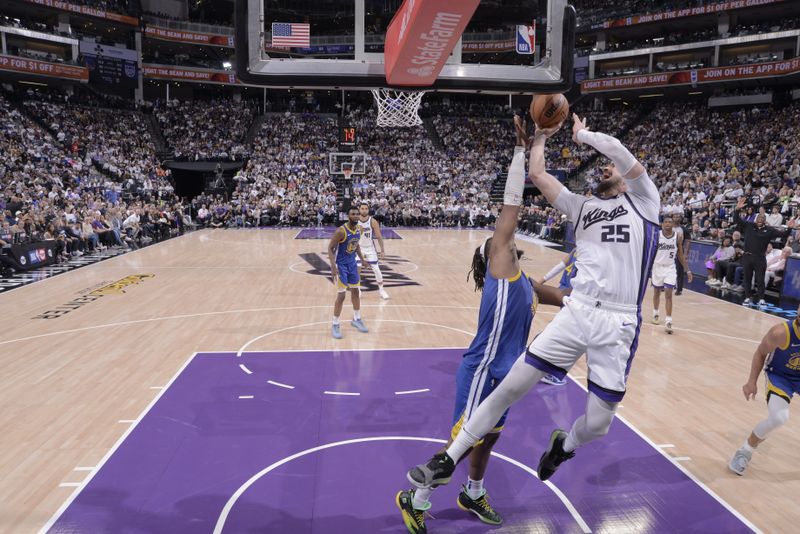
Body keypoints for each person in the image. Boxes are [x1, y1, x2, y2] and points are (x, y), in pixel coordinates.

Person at [407, 111, 660, 491]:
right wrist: (539, 138)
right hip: (579, 311)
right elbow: (539, 177)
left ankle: (565, 444)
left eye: (612, 169)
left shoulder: (646, 202)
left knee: (598, 424)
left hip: (619, 322)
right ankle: (447, 458)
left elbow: (620, 151)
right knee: (511, 385)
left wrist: (584, 136)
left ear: (627, 182)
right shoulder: (582, 207)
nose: (607, 169)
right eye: (604, 168)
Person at [396, 117, 536, 533]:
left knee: (489, 436)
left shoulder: (524, 282)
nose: (508, 240)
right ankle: (415, 498)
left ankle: (472, 492)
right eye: (501, 241)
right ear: (493, 253)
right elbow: (510, 210)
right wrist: (520, 153)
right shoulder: (500, 268)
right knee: (466, 437)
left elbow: (563, 298)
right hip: (482, 370)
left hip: (507, 375)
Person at [729, 306, 800, 475]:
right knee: (779, 417)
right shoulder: (780, 333)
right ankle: (745, 451)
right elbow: (760, 353)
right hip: (780, 376)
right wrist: (751, 382)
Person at [734, 196, 795, 307]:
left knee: (760, 279)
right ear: (756, 219)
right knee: (747, 279)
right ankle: (747, 298)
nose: (760, 220)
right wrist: (737, 209)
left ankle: (761, 299)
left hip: (760, 258)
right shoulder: (749, 226)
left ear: (765, 221)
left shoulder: (770, 230)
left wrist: (789, 228)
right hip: (747, 257)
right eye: (758, 218)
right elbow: (736, 220)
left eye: (762, 219)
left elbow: (784, 234)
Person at [533, 248, 578, 385]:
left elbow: (560, 266)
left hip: (563, 292)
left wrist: (541, 281)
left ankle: (535, 350)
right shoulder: (586, 251)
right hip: (571, 294)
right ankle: (547, 367)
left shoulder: (575, 250)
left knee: (564, 329)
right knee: (566, 334)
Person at [327, 206, 368, 339]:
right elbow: (330, 247)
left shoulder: (359, 230)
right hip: (341, 266)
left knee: (356, 292)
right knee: (341, 296)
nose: (356, 216)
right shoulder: (341, 231)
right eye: (353, 214)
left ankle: (356, 319)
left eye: (357, 214)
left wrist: (362, 259)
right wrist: (333, 266)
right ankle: (335, 323)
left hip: (352, 264)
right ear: (348, 216)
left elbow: (356, 246)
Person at [652, 216, 692, 334]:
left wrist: (687, 270)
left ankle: (668, 321)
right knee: (656, 293)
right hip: (657, 266)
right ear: (662, 224)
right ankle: (655, 312)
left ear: (673, 224)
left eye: (670, 222)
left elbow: (680, 255)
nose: (668, 224)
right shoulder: (656, 235)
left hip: (670, 267)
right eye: (666, 222)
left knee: (669, 294)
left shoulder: (677, 237)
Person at [357, 202, 390, 300]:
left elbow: (379, 237)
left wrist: (382, 250)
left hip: (370, 248)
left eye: (365, 208)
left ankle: (381, 290)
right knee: (357, 269)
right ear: (359, 209)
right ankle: (358, 290)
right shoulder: (354, 221)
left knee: (376, 269)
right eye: (362, 208)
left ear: (368, 210)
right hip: (358, 248)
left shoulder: (373, 221)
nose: (364, 210)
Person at [672, 213, 691, 295]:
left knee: (679, 270)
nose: (677, 218)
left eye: (678, 217)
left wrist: (686, 253)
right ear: (672, 218)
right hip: (668, 249)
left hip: (679, 250)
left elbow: (688, 242)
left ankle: (679, 289)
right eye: (675, 216)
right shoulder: (668, 227)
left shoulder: (684, 229)